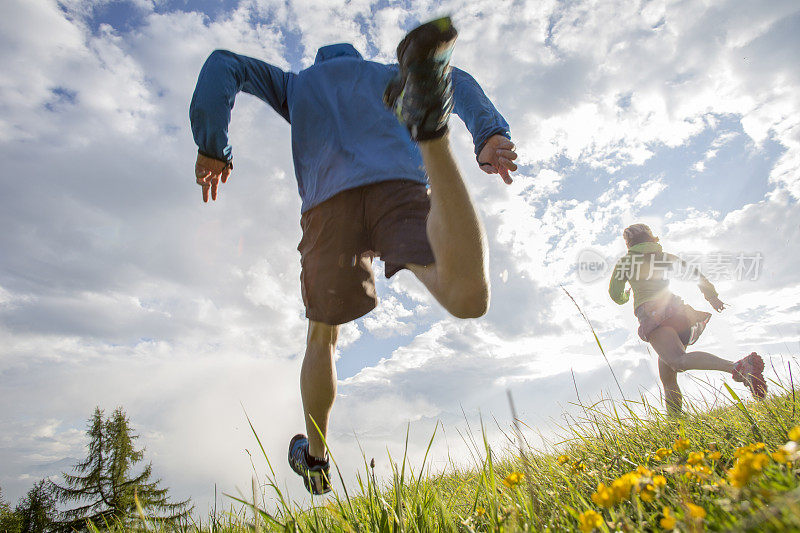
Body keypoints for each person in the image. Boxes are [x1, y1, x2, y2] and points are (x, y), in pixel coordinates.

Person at [189, 17, 517, 494]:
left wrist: (212, 143)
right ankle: (434, 138)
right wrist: (488, 132)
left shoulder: (298, 85)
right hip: (399, 189)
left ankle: (317, 460)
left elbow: (225, 64)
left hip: (328, 207)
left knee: (322, 339)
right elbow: (455, 79)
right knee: (466, 297)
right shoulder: (387, 74)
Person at [609, 223, 767, 416]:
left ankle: (739, 368)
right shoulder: (664, 256)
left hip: (654, 316)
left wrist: (626, 295)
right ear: (650, 237)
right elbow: (695, 274)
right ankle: (675, 424)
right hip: (679, 313)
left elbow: (615, 295)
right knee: (668, 376)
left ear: (628, 242)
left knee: (677, 361)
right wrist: (711, 296)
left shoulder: (626, 262)